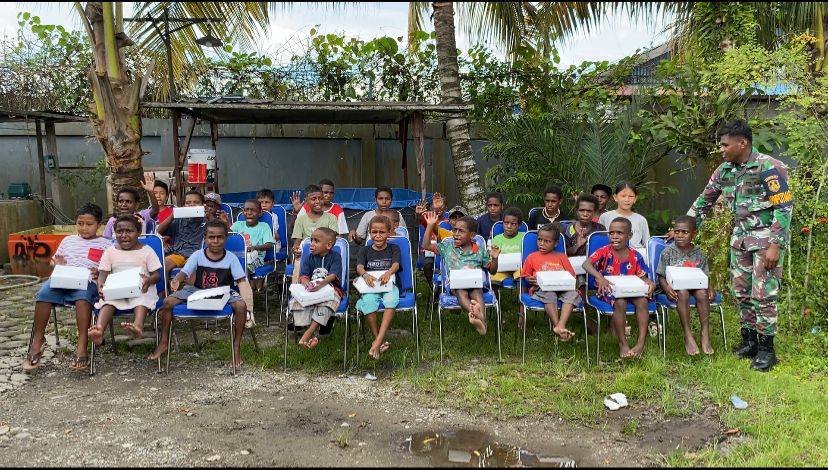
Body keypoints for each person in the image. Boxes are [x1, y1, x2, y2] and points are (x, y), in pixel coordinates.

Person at [686, 119, 792, 372]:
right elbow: (705, 200)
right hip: (740, 241)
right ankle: (750, 342)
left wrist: (776, 245)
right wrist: (685, 226)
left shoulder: (769, 167)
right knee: (742, 293)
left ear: (742, 143)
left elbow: (784, 207)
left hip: (765, 242)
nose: (721, 150)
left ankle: (767, 350)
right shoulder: (725, 170)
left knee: (764, 295)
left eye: (725, 145)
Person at [22, 203, 114, 373]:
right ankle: (37, 341)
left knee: (82, 299)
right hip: (63, 278)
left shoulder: (105, 244)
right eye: (80, 223)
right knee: (43, 294)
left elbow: (110, 268)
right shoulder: (68, 240)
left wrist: (101, 272)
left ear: (99, 225)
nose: (84, 228)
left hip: (87, 281)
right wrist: (56, 263)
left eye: (89, 224)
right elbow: (53, 261)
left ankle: (82, 344)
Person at [148, 220, 253, 367]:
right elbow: (184, 273)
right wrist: (177, 280)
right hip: (197, 291)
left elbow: (242, 281)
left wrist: (249, 305)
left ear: (225, 238)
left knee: (241, 306)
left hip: (223, 291)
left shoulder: (231, 258)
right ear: (205, 238)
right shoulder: (198, 255)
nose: (215, 241)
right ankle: (164, 341)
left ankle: (236, 349)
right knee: (167, 302)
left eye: (219, 237)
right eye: (211, 237)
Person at [583, 217, 656, 359]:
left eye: (619, 233)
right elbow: (586, 264)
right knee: (620, 302)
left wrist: (649, 282)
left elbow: (642, 276)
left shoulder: (635, 255)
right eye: (611, 233)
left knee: (642, 301)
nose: (614, 236)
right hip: (610, 291)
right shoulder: (604, 251)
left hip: (631, 290)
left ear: (629, 235)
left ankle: (641, 343)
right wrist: (600, 277)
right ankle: (623, 343)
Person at [88, 215, 162, 345]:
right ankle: (99, 329)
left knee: (142, 301)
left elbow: (157, 275)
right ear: (114, 233)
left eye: (129, 231)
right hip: (117, 289)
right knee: (107, 301)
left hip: (141, 289)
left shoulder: (147, 251)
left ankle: (137, 326)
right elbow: (102, 274)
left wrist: (149, 280)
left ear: (139, 232)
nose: (124, 235)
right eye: (119, 231)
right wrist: (101, 286)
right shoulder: (110, 251)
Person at [422, 211, 499, 335]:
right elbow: (425, 245)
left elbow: (492, 271)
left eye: (461, 231)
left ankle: (480, 321)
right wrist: (430, 225)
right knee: (461, 293)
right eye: (454, 230)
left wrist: (495, 259)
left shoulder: (479, 250)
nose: (456, 234)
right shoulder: (447, 247)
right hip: (455, 285)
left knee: (477, 293)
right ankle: (479, 317)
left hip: (474, 283)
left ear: (472, 235)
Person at [657, 216, 715, 356]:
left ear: (694, 233)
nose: (680, 235)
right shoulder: (667, 253)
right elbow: (661, 276)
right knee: (682, 292)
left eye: (685, 232)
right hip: (675, 290)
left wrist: (710, 287)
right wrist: (667, 288)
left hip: (695, 286)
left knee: (702, 293)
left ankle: (704, 333)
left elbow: (705, 276)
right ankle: (688, 335)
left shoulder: (699, 253)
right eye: (677, 232)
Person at [521, 223, 582, 341]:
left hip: (563, 287)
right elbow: (525, 276)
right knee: (549, 294)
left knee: (572, 294)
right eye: (539, 240)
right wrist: (529, 279)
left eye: (547, 241)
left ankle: (561, 325)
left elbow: (571, 275)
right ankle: (557, 325)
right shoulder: (532, 257)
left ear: (556, 243)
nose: (542, 244)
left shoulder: (562, 257)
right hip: (543, 288)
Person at [355, 216, 401, 359]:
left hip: (388, 284)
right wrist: (365, 275)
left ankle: (377, 341)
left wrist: (388, 273)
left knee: (391, 301)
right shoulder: (364, 250)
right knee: (368, 303)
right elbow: (359, 267)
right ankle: (379, 340)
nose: (378, 235)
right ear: (369, 233)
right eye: (374, 232)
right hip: (371, 285)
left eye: (382, 232)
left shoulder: (394, 248)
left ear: (389, 233)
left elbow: (396, 265)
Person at [289, 227, 343, 349]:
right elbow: (303, 276)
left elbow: (333, 276)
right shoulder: (309, 258)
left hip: (331, 288)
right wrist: (307, 283)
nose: (311, 244)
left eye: (316, 241)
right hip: (312, 290)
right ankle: (312, 335)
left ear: (328, 245)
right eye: (312, 240)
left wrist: (320, 284)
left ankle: (307, 334)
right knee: (298, 303)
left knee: (327, 304)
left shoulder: (335, 257)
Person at [157, 190, 207, 278]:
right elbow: (159, 231)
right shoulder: (179, 220)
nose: (192, 205)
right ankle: (166, 291)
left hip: (197, 255)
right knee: (163, 266)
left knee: (192, 267)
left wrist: (208, 216)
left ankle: (189, 290)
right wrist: (173, 215)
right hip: (178, 254)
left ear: (203, 205)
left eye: (196, 202)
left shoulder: (206, 220)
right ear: (184, 206)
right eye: (188, 203)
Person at [230, 199, 275, 293]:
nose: (249, 213)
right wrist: (226, 223)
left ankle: (245, 290)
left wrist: (254, 247)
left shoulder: (264, 226)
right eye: (246, 210)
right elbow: (228, 236)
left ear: (260, 213)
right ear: (243, 212)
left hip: (256, 259)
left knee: (244, 264)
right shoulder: (238, 225)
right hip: (238, 257)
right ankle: (236, 289)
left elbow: (269, 245)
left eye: (253, 210)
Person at [598, 182, 650, 259]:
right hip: (610, 257)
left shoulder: (641, 220)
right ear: (615, 197)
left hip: (637, 258)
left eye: (631, 196)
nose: (627, 199)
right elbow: (599, 241)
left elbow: (647, 244)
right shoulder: (605, 217)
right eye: (623, 196)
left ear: (635, 199)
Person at [103, 173, 160, 238]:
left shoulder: (142, 216)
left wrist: (150, 192)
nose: (123, 204)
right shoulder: (112, 220)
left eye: (128, 202)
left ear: (136, 205)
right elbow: (106, 240)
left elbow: (155, 210)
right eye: (121, 201)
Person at [291, 185, 340, 257]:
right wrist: (295, 249)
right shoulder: (300, 219)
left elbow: (332, 240)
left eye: (320, 198)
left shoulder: (331, 218)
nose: (318, 201)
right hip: (306, 257)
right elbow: (297, 242)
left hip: (326, 256)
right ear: (306, 201)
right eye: (313, 199)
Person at [490, 207, 525, 292]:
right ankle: (496, 302)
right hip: (501, 270)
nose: (509, 226)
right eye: (506, 223)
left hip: (518, 269)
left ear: (519, 225)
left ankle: (521, 302)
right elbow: (493, 258)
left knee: (522, 276)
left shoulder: (524, 237)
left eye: (513, 224)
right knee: (492, 277)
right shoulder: (497, 239)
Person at [256, 188, 282, 252]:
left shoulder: (274, 217)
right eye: (261, 202)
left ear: (272, 204)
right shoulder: (253, 215)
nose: (264, 205)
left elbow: (274, 235)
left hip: (272, 243)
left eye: (267, 202)